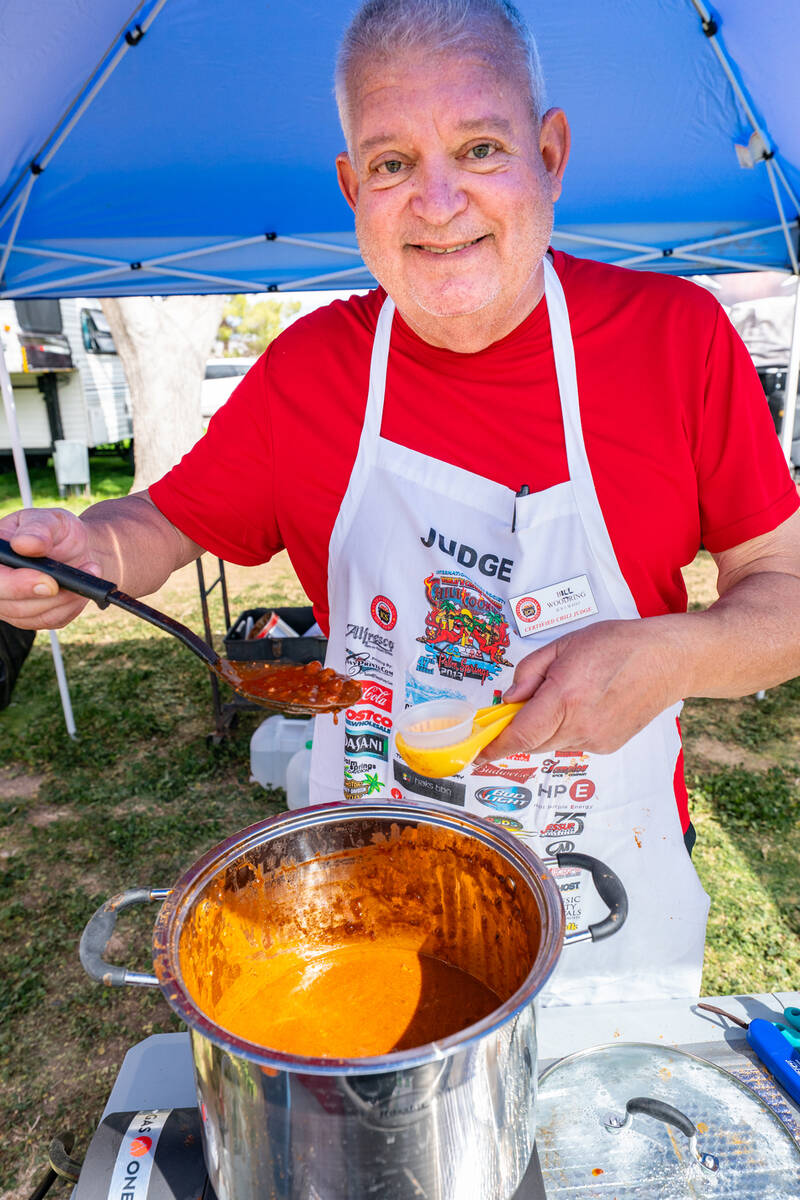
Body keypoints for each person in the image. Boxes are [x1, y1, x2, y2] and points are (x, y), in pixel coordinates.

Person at [2, 0, 799, 1005]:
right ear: (349, 186)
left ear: (548, 155)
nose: (436, 200)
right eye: (390, 164)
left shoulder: (672, 340)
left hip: (602, 880)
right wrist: (85, 552)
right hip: (368, 879)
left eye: (478, 147)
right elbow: (157, 527)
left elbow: (784, 593)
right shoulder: (311, 373)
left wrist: (670, 653)